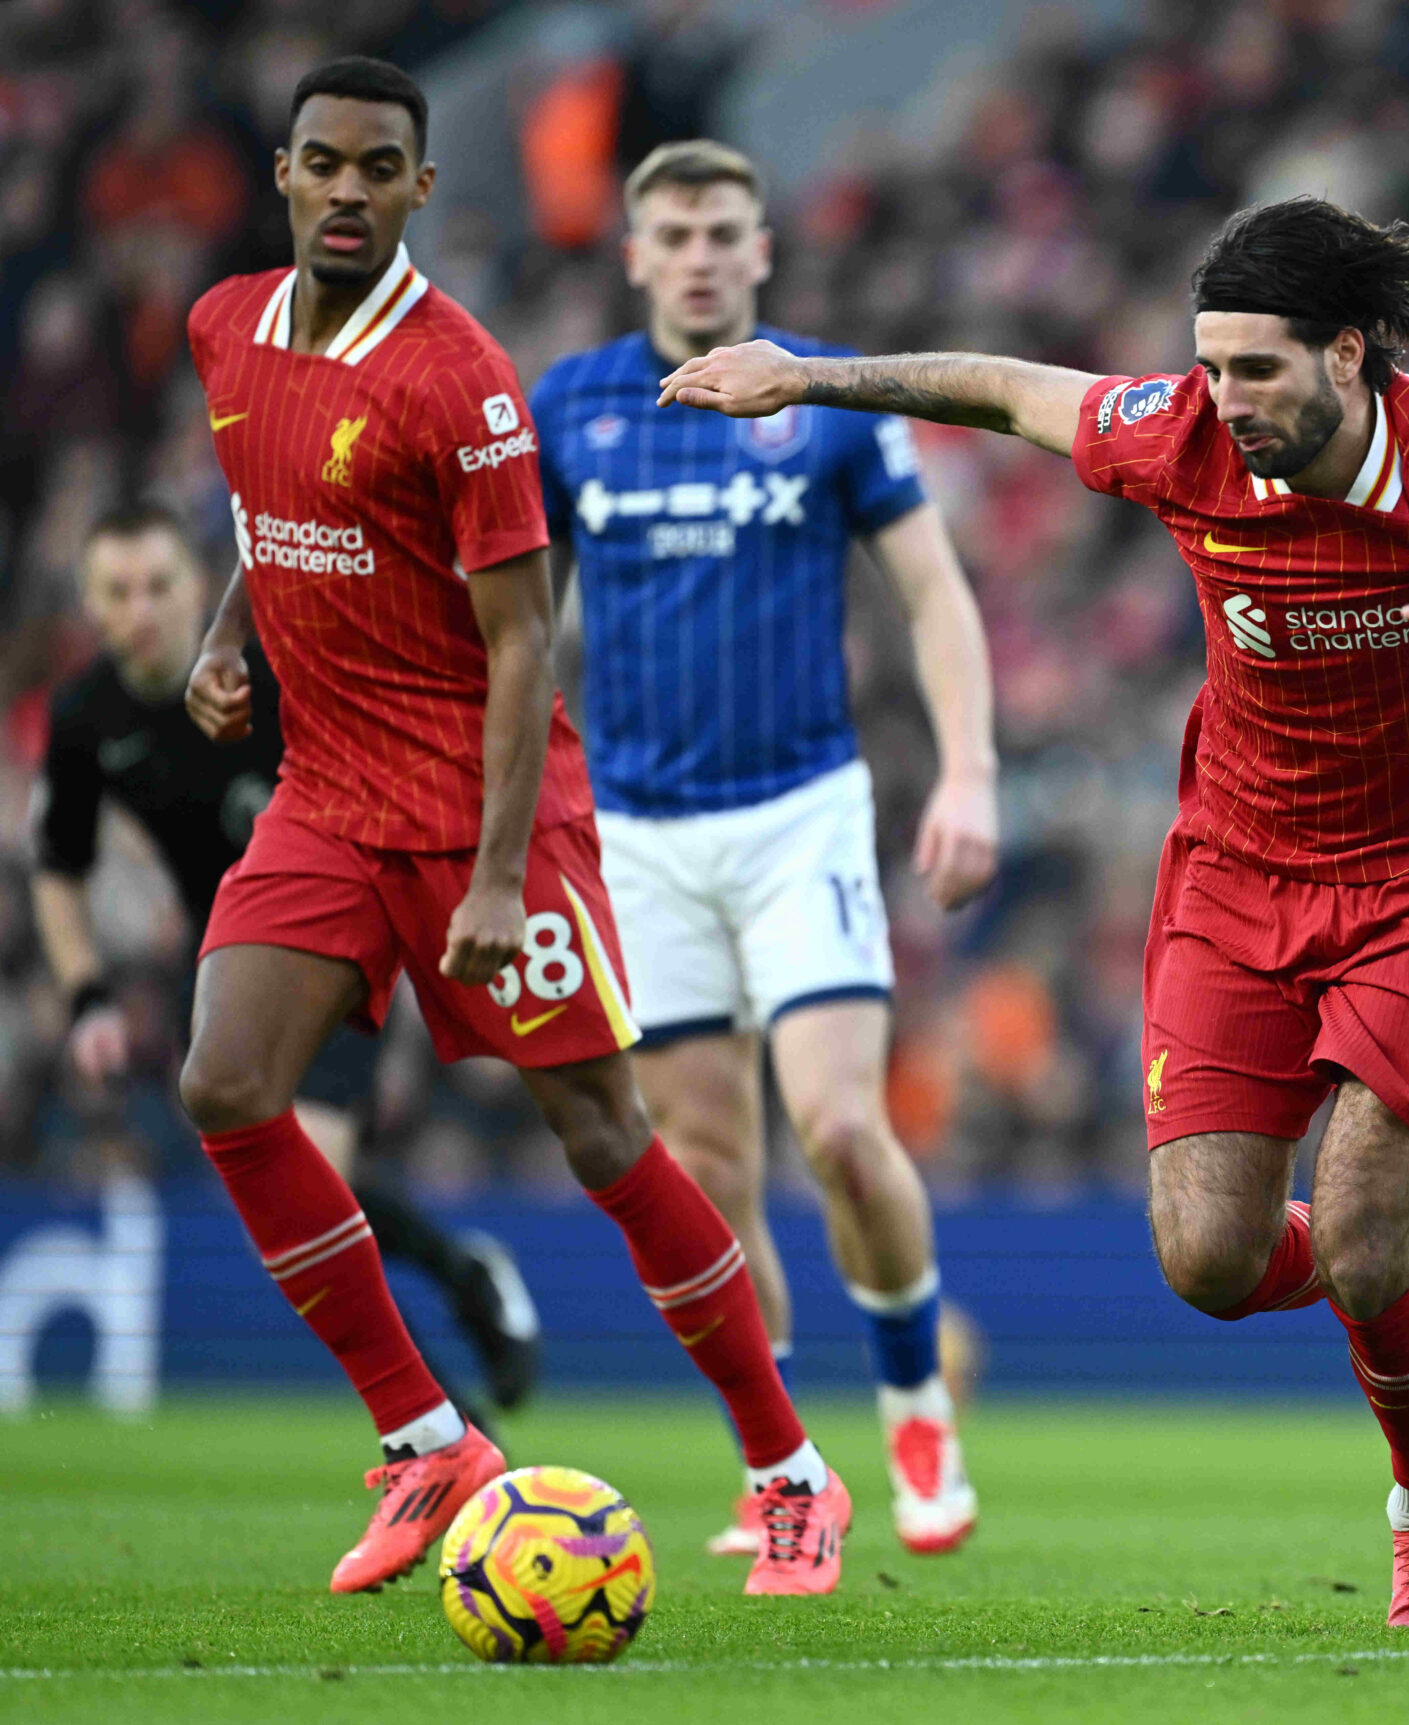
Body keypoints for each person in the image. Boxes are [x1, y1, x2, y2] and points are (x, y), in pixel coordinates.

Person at [663, 196, 1409, 1627]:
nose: (1226, 401)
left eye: (1256, 371)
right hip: (1238, 875)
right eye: (1209, 366)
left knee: (1367, 1250)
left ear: (1348, 354)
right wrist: (807, 372)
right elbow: (1004, 387)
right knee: (1207, 1262)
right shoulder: (1182, 437)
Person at [179, 56, 846, 1597]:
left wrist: (492, 875)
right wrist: (230, 635)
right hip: (329, 797)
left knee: (607, 1137)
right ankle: (426, 1437)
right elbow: (265, 507)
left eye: (379, 169)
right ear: (281, 173)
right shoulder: (225, 327)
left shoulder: (459, 378)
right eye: (323, 162)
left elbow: (527, 641)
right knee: (224, 1083)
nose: (347, 190)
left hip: (486, 809)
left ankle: (789, 1469)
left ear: (421, 188)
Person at [533, 138, 995, 1558]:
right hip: (640, 833)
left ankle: (917, 1402)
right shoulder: (570, 407)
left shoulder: (828, 396)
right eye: (670, 232)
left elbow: (932, 595)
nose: (697, 253)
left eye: (723, 229)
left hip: (801, 814)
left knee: (844, 1132)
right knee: (709, 1166)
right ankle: (781, 1464)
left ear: (761, 247)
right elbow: (515, 628)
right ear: (633, 254)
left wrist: (970, 770)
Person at [34, 502, 540, 1433]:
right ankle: (464, 1281)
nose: (140, 608)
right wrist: (86, 995)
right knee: (299, 1193)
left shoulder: (274, 665)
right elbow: (58, 870)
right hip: (226, 957)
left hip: (346, 922)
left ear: (200, 585)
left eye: (158, 585)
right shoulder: (86, 716)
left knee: (306, 1168)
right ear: (90, 605)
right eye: (116, 591)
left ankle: (449, 1433)